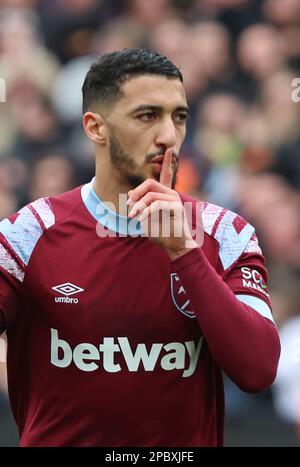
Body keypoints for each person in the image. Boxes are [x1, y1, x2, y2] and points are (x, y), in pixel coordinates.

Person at [0, 48, 280, 447]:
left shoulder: (225, 233)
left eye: (179, 117)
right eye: (147, 116)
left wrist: (185, 253)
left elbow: (257, 370)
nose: (169, 135)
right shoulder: (27, 235)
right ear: (96, 128)